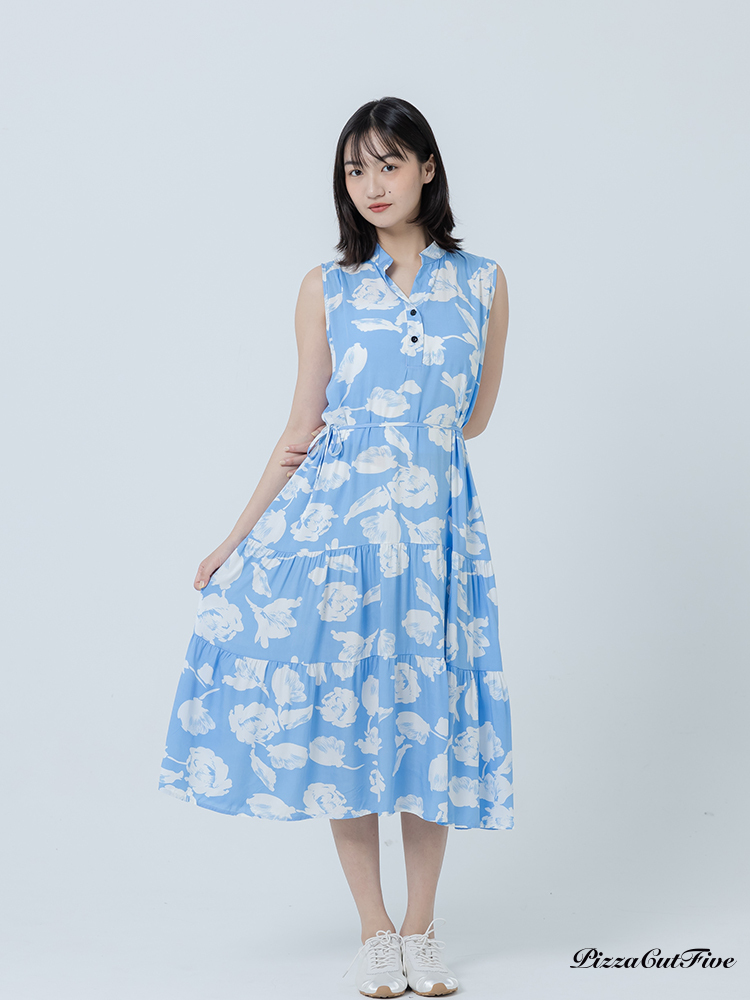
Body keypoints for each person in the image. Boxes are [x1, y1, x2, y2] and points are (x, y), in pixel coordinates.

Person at [158, 96, 513, 998]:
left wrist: (413, 439)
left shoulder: (483, 283)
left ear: (427, 167)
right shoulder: (327, 287)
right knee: (350, 728)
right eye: (356, 170)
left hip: (436, 545)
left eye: (388, 164)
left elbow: (474, 418)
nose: (372, 185)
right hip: (337, 538)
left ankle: (422, 931)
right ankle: (375, 932)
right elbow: (300, 428)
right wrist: (236, 538)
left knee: (426, 727)